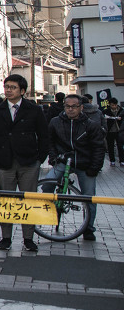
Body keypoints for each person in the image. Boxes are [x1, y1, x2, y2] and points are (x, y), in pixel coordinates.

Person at [0, 73, 50, 252]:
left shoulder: (34, 110)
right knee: (6, 201)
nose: (8, 90)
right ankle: (6, 237)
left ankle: (28, 238)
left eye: (13, 87)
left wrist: (39, 159)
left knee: (28, 200)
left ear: (22, 91)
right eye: (6, 87)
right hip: (4, 162)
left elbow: (44, 135)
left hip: (29, 162)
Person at [47, 93, 106, 241]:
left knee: (89, 196)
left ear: (81, 107)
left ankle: (88, 229)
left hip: (84, 163)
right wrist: (53, 157)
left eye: (74, 106)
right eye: (67, 106)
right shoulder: (55, 122)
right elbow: (50, 141)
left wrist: (95, 167)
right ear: (64, 106)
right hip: (63, 161)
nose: (70, 109)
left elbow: (99, 147)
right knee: (47, 184)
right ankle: (51, 211)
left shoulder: (91, 125)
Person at [104, 98, 122, 166]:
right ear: (109, 105)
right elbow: (102, 117)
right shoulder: (106, 111)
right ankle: (112, 161)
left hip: (119, 131)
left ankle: (122, 160)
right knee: (110, 146)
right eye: (112, 105)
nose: (113, 106)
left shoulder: (121, 110)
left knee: (120, 146)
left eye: (115, 105)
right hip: (110, 131)